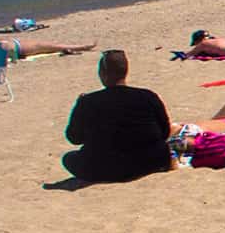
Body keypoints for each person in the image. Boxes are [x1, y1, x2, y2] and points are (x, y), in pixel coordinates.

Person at [61, 51, 173, 182]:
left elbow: (74, 138)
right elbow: (165, 132)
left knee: (69, 158)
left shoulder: (88, 101)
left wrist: (78, 107)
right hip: (151, 162)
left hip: (107, 168)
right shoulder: (148, 96)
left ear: (102, 73)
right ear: (125, 71)